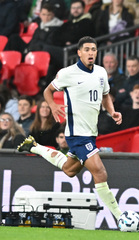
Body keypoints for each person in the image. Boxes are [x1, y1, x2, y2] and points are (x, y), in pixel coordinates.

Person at [17, 36, 125, 225]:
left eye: (94, 49)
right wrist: (52, 106)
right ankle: (121, 218)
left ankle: (35, 147)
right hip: (77, 134)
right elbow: (47, 91)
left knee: (69, 170)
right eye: (87, 49)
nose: (91, 53)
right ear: (79, 52)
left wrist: (112, 112)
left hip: (91, 132)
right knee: (99, 172)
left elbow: (105, 95)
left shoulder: (101, 72)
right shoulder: (68, 73)